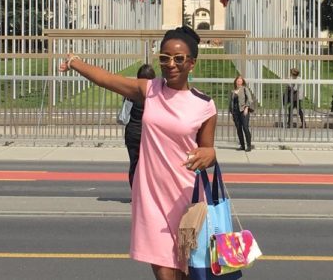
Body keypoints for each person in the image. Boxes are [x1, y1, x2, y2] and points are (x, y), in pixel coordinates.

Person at [59, 25, 216, 280]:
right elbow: (108, 79)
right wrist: (75, 62)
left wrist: (211, 154)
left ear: (192, 63)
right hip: (151, 197)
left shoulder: (205, 105)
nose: (170, 64)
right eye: (164, 58)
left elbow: (207, 150)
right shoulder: (149, 90)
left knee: (188, 272)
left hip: (186, 198)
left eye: (178, 59)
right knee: (165, 274)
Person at [124, 63, 156, 188]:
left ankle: (135, 192)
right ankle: (147, 193)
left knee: (134, 164)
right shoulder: (155, 94)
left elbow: (125, 111)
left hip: (133, 132)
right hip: (149, 134)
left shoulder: (131, 92)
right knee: (150, 166)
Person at [228, 75, 253, 152]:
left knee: (245, 127)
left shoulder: (245, 89)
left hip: (243, 111)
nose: (239, 81)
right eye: (237, 80)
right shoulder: (232, 91)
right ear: (235, 81)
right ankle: (242, 145)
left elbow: (250, 99)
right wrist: (232, 113)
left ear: (242, 82)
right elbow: (230, 103)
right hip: (235, 112)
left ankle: (249, 145)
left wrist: (246, 108)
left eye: (240, 80)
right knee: (239, 129)